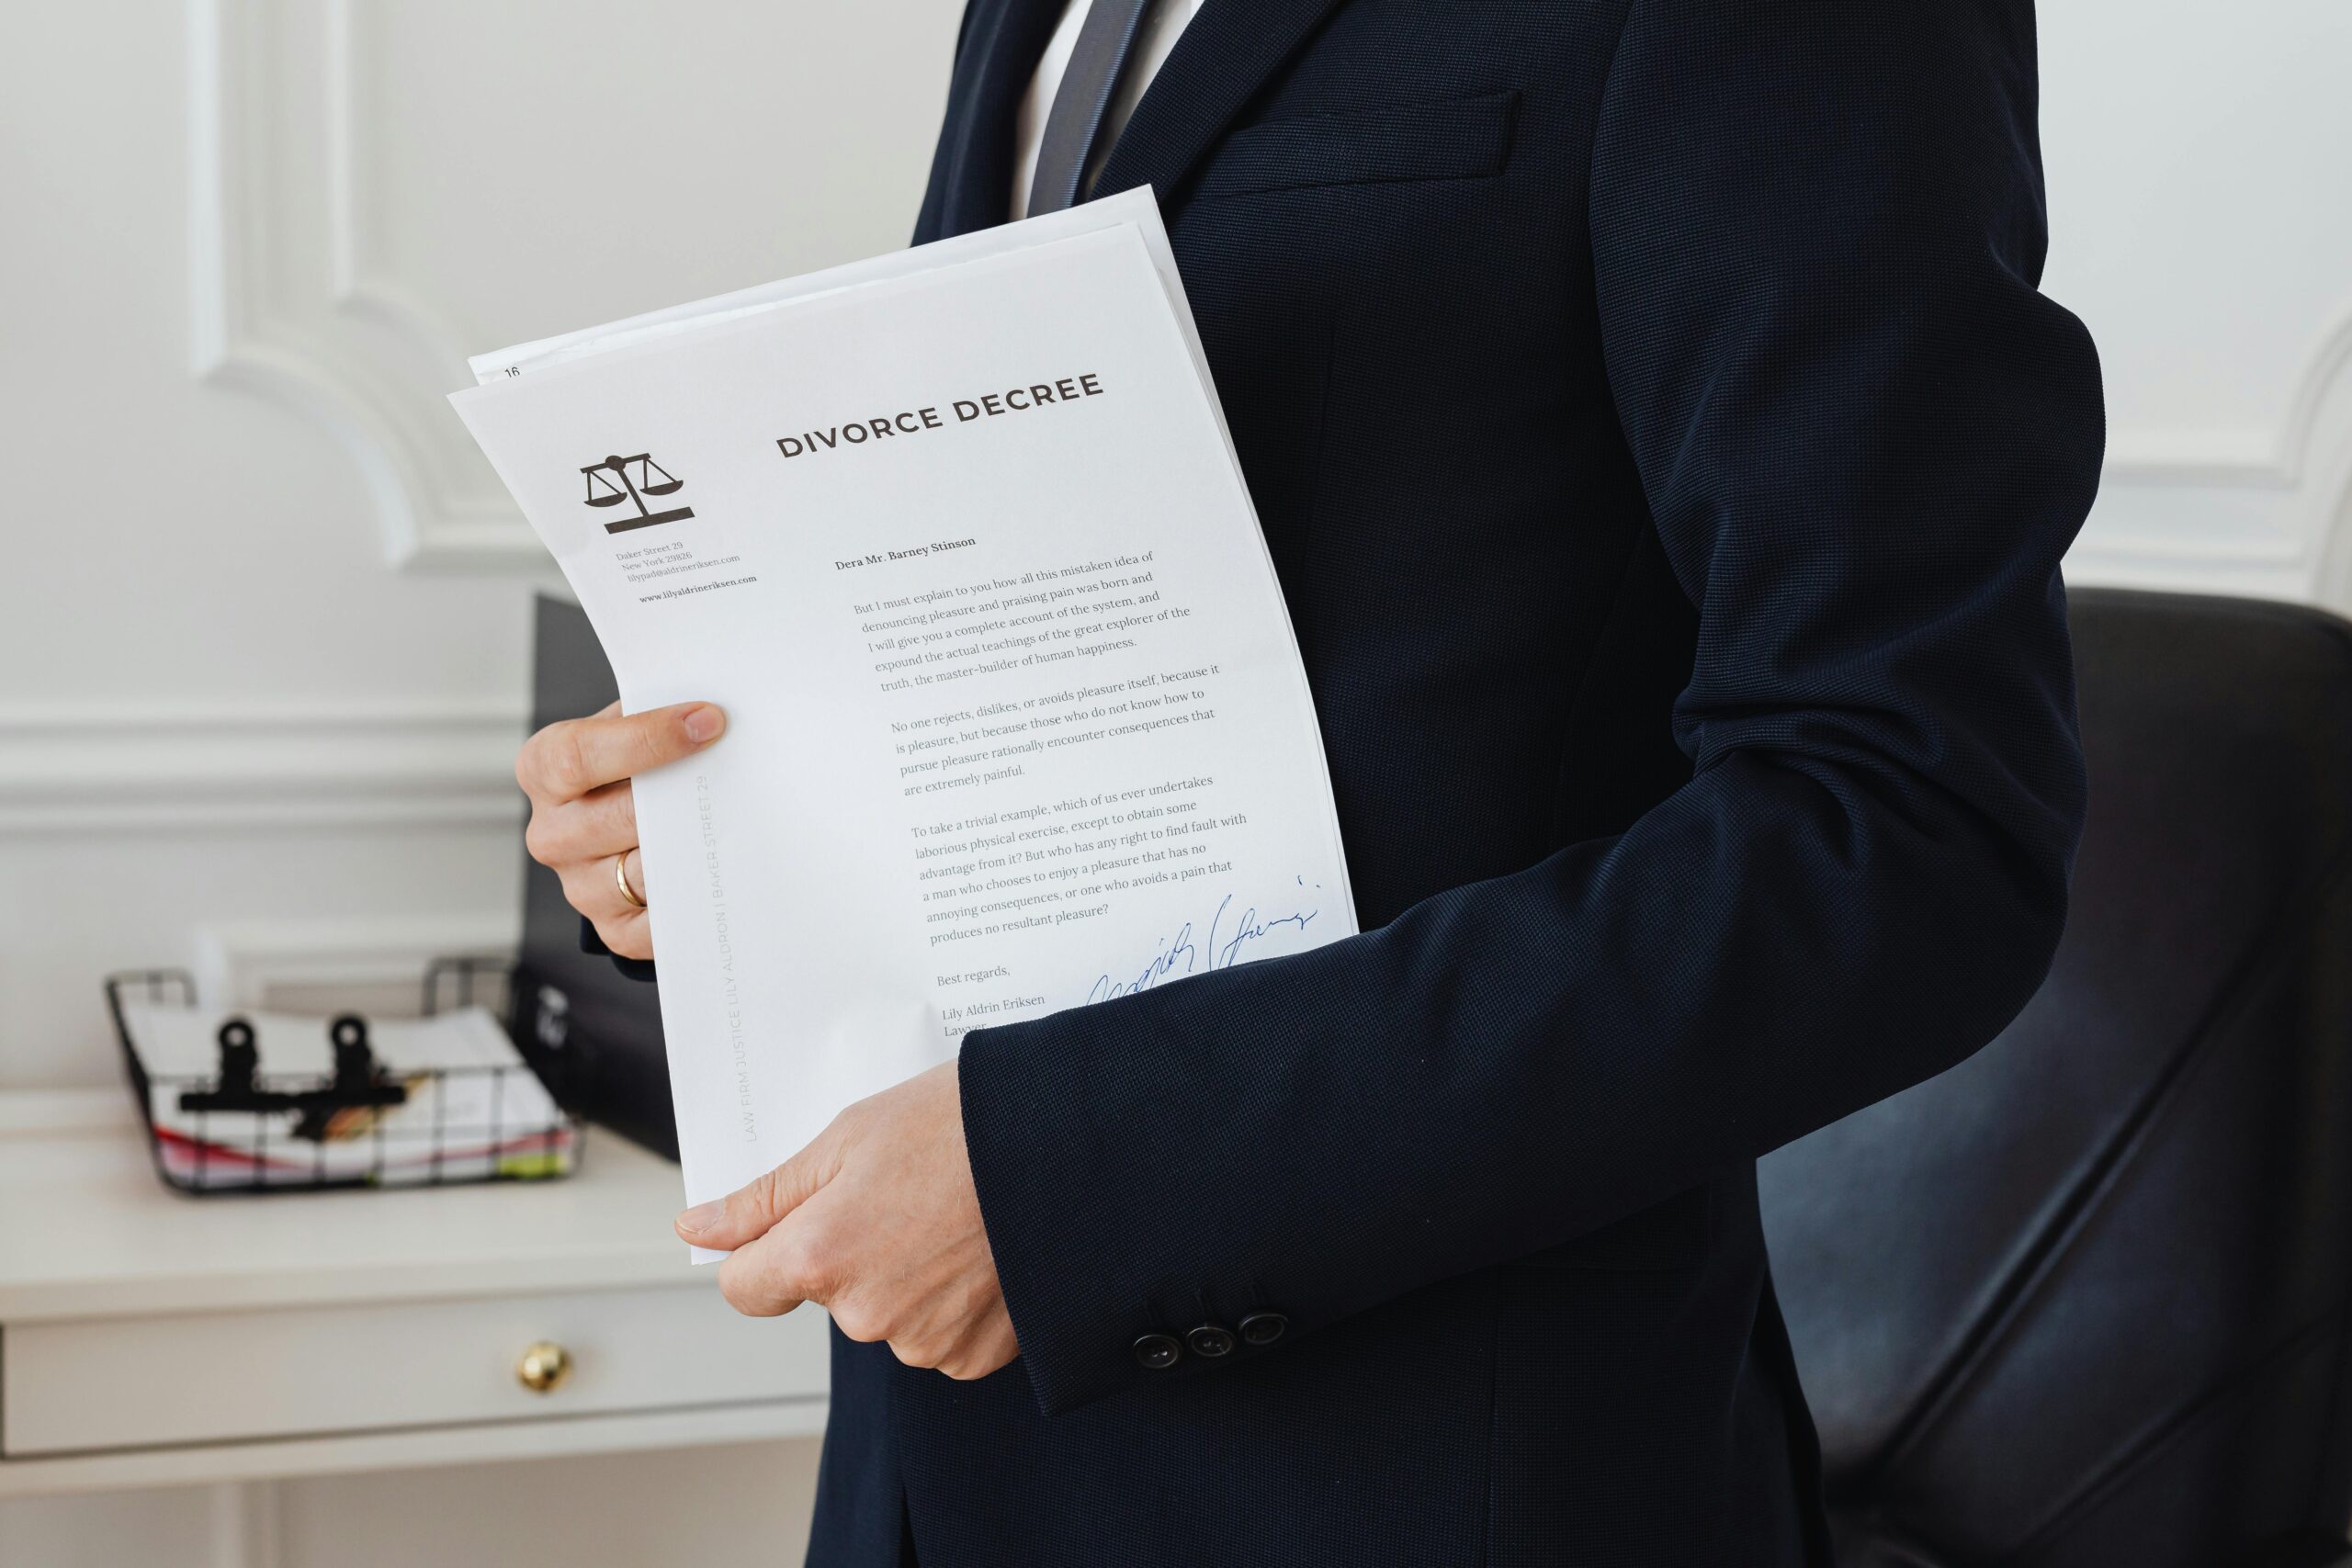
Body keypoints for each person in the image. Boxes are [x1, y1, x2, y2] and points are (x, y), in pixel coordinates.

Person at [513, 0, 2105, 1561]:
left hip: (1431, 1485)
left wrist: (1083, 1187)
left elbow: (1903, 827)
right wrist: (723, 831)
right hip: (929, 1463)